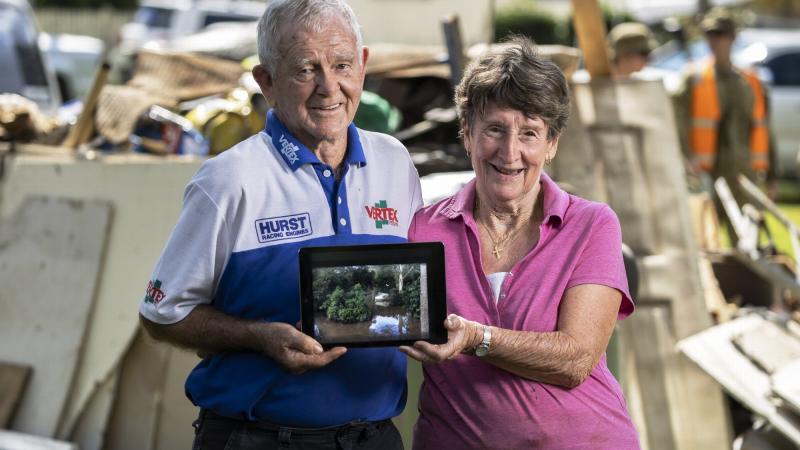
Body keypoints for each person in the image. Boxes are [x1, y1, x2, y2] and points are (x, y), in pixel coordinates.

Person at [138, 1, 422, 448]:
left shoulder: (395, 162)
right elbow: (162, 313)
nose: (329, 88)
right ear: (266, 81)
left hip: (375, 437)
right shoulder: (230, 179)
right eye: (305, 70)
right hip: (261, 438)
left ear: (363, 66)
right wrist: (257, 338)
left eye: (342, 64)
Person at [399, 37, 639, 449]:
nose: (510, 153)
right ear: (467, 133)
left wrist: (478, 338)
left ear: (552, 145)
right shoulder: (424, 229)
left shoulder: (591, 225)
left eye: (529, 133)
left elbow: (576, 359)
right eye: (494, 129)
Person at [673, 7, 778, 211]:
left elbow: (766, 131)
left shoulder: (752, 83)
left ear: (732, 37)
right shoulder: (693, 78)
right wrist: (688, 159)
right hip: (705, 173)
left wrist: (772, 176)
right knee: (704, 239)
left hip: (742, 174)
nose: (715, 40)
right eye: (710, 34)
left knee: (746, 238)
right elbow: (677, 123)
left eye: (720, 34)